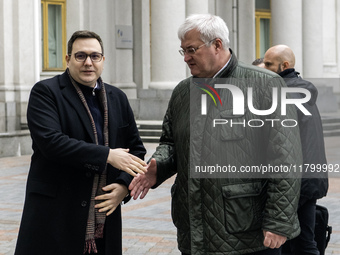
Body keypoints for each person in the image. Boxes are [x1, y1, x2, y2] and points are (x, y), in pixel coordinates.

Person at [129, 14, 303, 255]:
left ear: (217, 45)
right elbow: (170, 141)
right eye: (183, 51)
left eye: (191, 49)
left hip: (249, 234)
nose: (186, 58)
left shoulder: (265, 85)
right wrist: (160, 165)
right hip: (194, 229)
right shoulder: (182, 92)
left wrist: (279, 221)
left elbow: (286, 158)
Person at [15, 30, 147, 255]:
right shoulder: (46, 92)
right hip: (56, 213)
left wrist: (123, 187)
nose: (88, 63)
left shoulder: (118, 98)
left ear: (103, 60)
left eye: (95, 56)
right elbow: (51, 142)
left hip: (103, 215)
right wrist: (107, 155)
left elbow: (136, 150)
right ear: (67, 59)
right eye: (80, 56)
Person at [263, 44, 329, 255]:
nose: (264, 68)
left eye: (268, 64)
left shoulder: (286, 93)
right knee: (303, 241)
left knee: (294, 243)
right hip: (309, 179)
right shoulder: (300, 91)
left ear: (285, 65)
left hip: (297, 182)